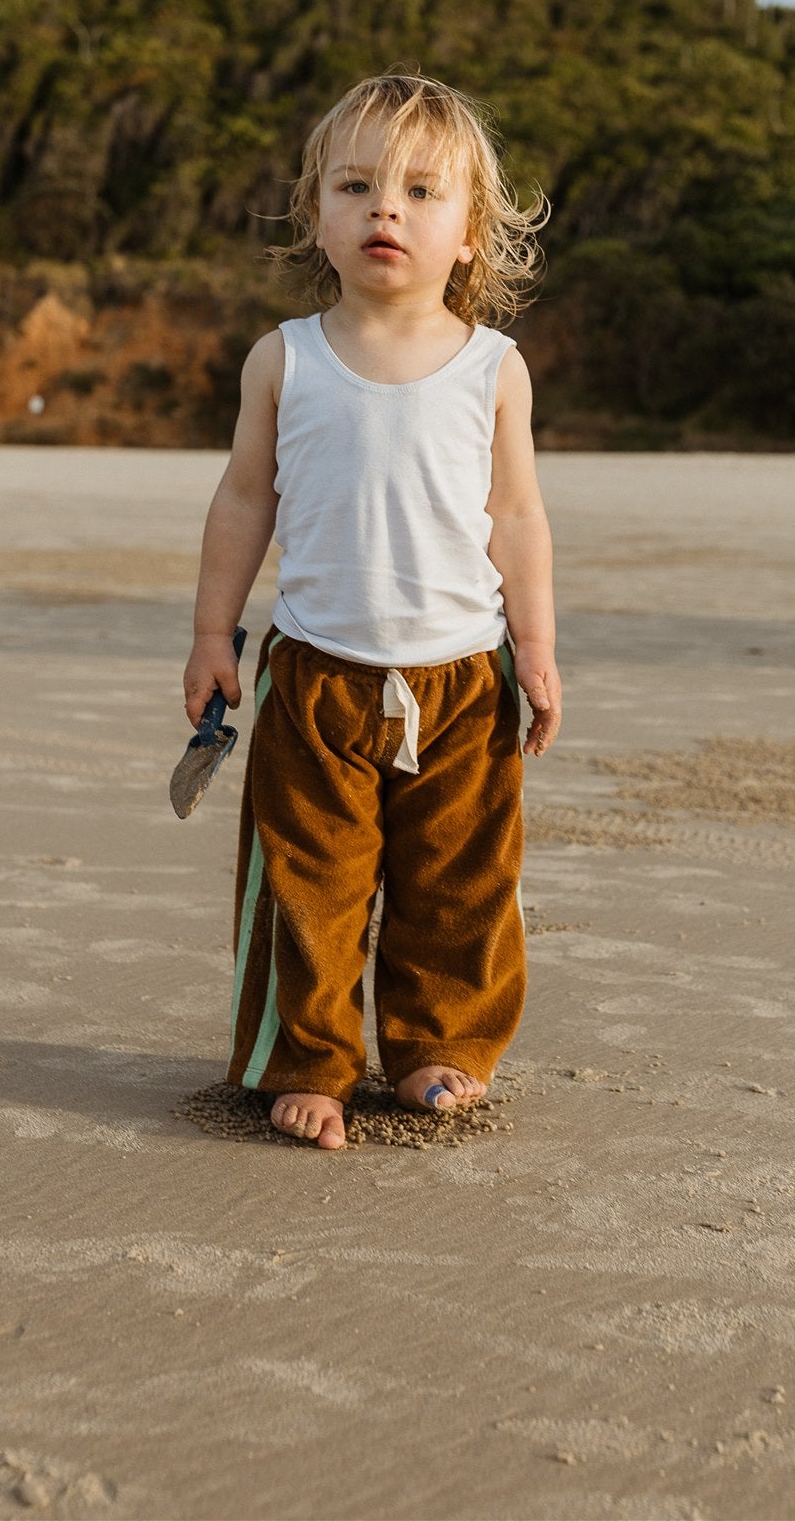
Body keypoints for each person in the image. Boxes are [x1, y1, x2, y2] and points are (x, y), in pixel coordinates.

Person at [183, 70, 561, 1151]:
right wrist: (216, 633)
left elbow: (518, 516)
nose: (384, 208)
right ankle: (307, 1055)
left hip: (462, 679)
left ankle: (440, 1042)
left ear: (472, 235)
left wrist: (534, 645)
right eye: (355, 185)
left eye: (419, 190)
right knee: (308, 881)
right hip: (315, 677)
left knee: (461, 881)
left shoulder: (495, 368)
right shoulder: (285, 358)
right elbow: (243, 499)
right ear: (318, 217)